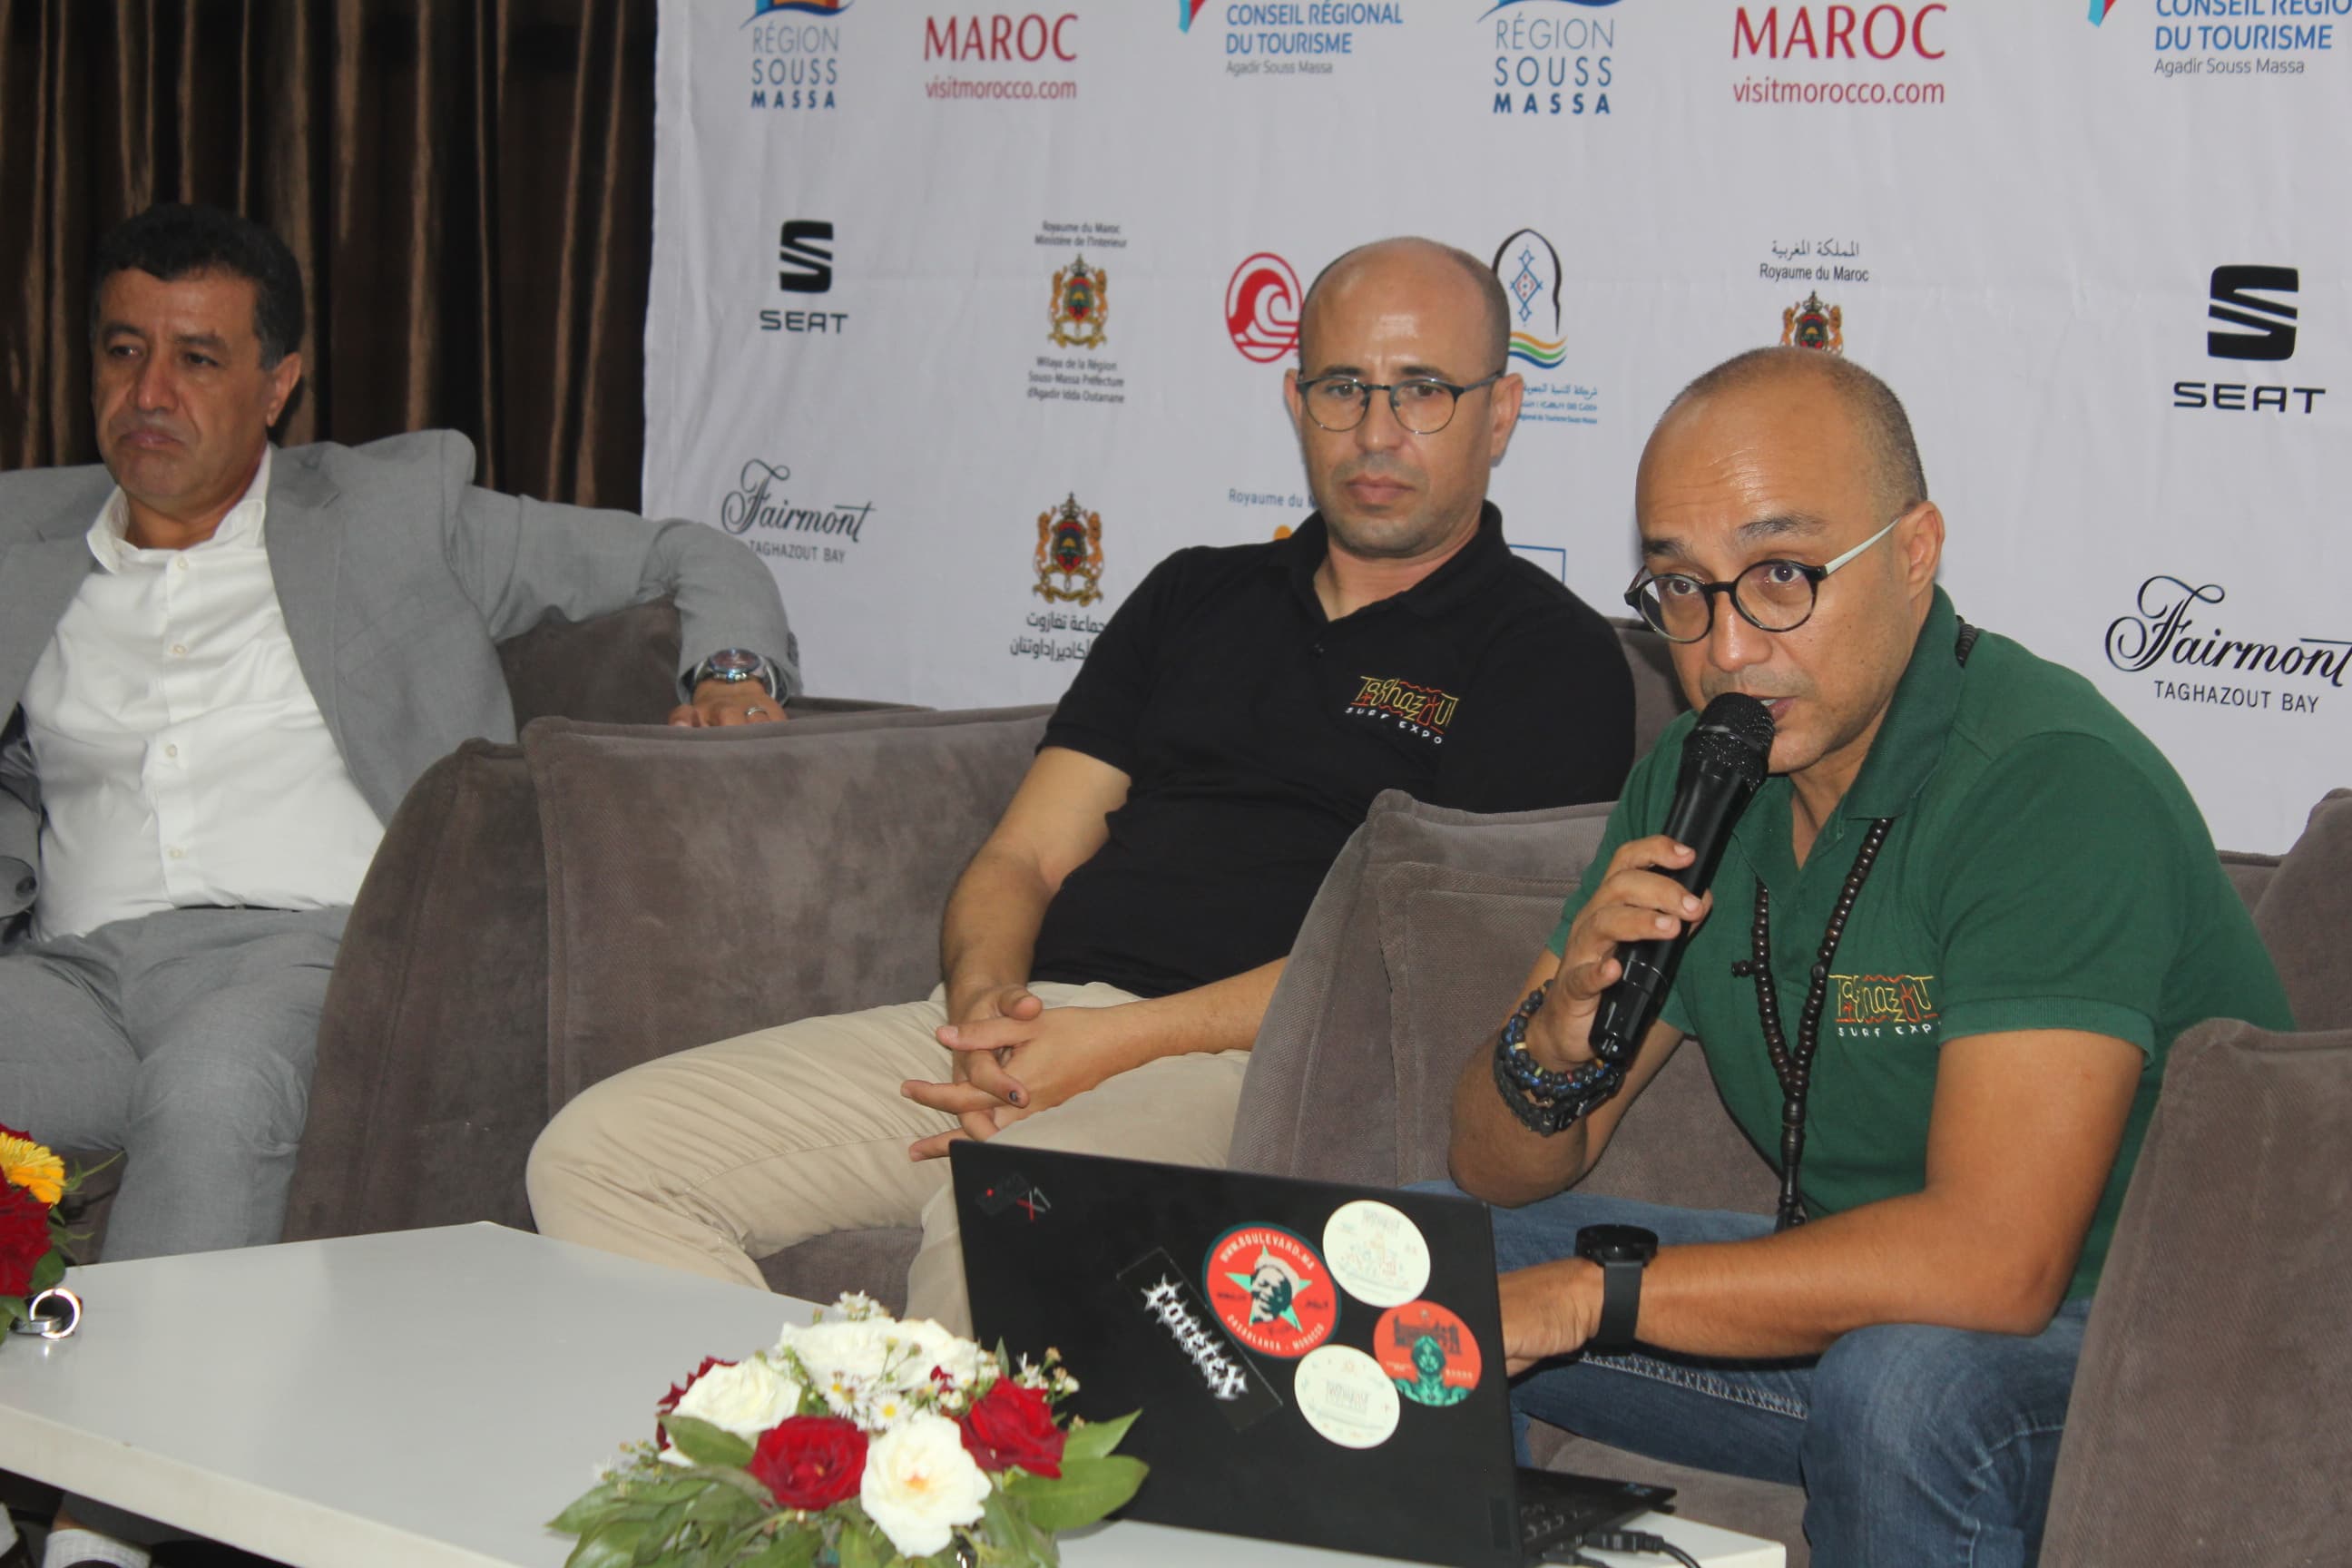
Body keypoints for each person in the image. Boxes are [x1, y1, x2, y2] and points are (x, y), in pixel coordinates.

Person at [526, 235, 1638, 1329]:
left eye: (1424, 391)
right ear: (1297, 402)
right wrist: (986, 1014)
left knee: (1006, 1214)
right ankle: (826, 1427)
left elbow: (1426, 967)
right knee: (602, 1155)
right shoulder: (1196, 596)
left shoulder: (1550, 656)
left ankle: (894, 1431)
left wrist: (1113, 1047)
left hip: (1265, 1070)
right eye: (1343, 387)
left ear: (1501, 412)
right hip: (1035, 1023)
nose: (1377, 431)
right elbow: (1024, 855)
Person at [1445, 346, 2292, 1567]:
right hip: (1876, 1325)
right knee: (1427, 1255)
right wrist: (1553, 1039)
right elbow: (1494, 1168)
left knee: (1904, 1386)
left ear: (1914, 552)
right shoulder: (1699, 773)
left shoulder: (2050, 784)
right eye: (1681, 588)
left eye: (1781, 576)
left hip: (2148, 1348)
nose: (1728, 649)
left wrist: (1594, 1298)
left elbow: (1999, 1266)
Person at [0, 202, 799, 1269]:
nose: (150, 393)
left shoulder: (395, 514)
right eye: (123, 351)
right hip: (74, 977)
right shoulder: (19, 533)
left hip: (308, 956)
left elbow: (690, 553)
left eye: (197, 359)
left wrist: (735, 676)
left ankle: (155, 1384)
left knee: (214, 1092)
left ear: (277, 384)